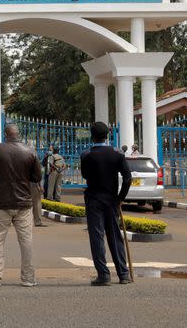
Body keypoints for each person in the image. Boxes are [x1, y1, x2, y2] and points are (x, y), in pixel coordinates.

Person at [0, 124, 42, 287]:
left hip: (1, 202)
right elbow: (36, 177)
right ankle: (28, 278)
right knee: (26, 241)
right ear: (18, 134)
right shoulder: (30, 151)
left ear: (5, 134)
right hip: (23, 203)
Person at [80, 122, 132, 286]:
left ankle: (103, 275)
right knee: (115, 236)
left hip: (94, 199)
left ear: (92, 136)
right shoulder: (117, 154)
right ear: (107, 135)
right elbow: (128, 178)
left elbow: (85, 175)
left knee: (97, 237)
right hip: (111, 199)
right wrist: (120, 198)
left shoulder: (86, 155)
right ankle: (123, 274)